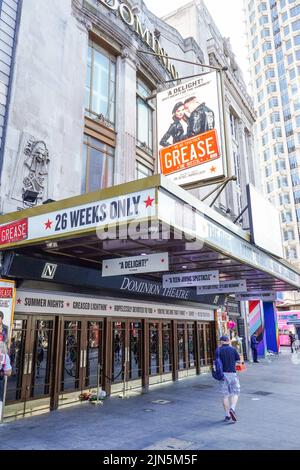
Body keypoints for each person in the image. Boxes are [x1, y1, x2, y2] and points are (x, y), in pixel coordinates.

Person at [216, 336, 241, 423]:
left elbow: (215, 362)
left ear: (221, 342)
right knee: (235, 392)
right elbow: (238, 361)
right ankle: (232, 408)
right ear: (228, 341)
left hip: (222, 375)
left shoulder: (218, 350)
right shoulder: (233, 349)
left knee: (225, 395)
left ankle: (227, 415)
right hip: (232, 373)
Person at [0, 341, 12, 418]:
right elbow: (9, 372)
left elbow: (9, 372)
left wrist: (2, 372)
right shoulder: (5, 356)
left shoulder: (5, 357)